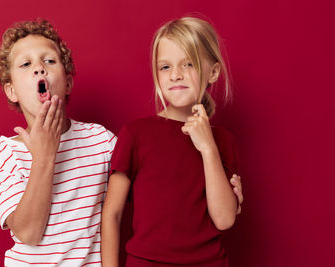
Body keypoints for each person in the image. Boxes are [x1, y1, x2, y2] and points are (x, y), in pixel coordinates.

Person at [101, 16, 242, 267]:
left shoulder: (223, 141)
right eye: (165, 67)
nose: (176, 75)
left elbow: (224, 219)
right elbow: (112, 214)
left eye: (188, 64)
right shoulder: (136, 134)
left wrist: (208, 148)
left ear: (213, 72)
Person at [0, 19, 117, 266]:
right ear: (11, 91)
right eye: (26, 64)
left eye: (50, 61)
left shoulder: (101, 142)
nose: (39, 69)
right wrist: (44, 157)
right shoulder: (4, 154)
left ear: (67, 83)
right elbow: (29, 233)